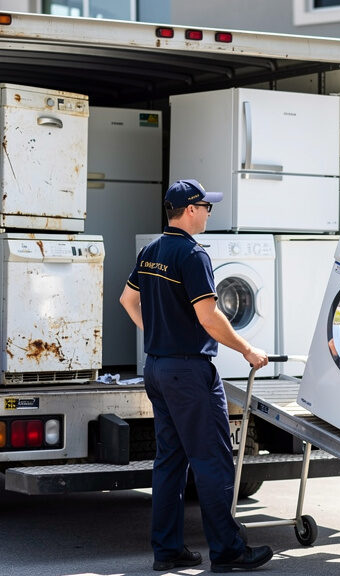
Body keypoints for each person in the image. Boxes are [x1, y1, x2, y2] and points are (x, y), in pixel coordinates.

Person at [119, 179, 274, 572]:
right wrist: (247, 349)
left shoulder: (150, 251)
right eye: (207, 206)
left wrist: (157, 332)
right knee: (212, 460)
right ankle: (228, 551)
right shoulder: (192, 254)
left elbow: (127, 299)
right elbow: (209, 316)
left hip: (157, 367)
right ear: (190, 210)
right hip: (188, 372)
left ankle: (167, 550)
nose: (209, 212)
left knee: (170, 462)